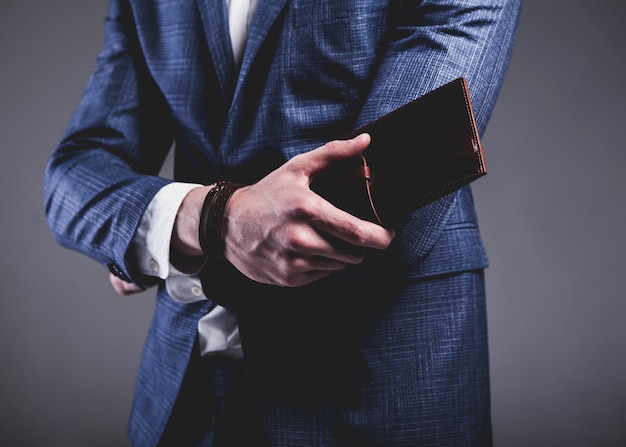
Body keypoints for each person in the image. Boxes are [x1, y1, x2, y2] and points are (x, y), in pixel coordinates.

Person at [44, 0, 521, 445]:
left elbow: (395, 182)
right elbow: (73, 176)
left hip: (375, 380)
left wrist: (156, 232)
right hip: (182, 391)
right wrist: (202, 218)